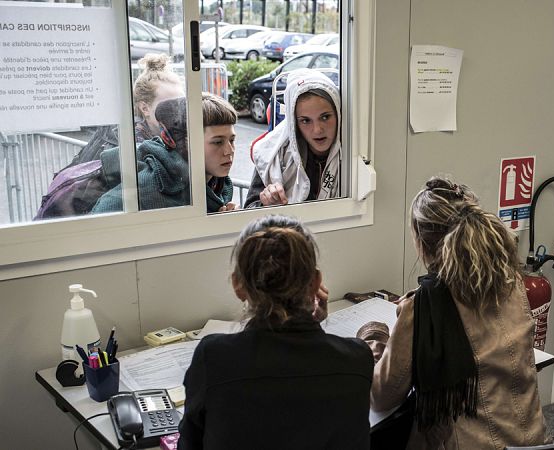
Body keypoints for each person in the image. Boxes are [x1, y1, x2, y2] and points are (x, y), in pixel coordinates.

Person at [364, 177, 550, 448]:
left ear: (421, 242)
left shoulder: (423, 308)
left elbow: (381, 397)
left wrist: (375, 340)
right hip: (536, 443)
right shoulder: (511, 283)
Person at [178, 215, 374, 449]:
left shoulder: (213, 358)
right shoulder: (356, 359)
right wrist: (311, 326)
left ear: (238, 285)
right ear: (315, 282)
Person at [92, 93, 238, 213]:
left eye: (232, 140)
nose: (229, 151)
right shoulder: (147, 188)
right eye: (217, 142)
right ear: (187, 143)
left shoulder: (218, 184)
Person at [245, 69, 341, 207]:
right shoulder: (274, 154)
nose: (317, 130)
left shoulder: (355, 152)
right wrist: (266, 205)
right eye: (305, 121)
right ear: (293, 122)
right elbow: (249, 208)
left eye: (325, 117)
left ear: (338, 113)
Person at [133, 53, 184, 144]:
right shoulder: (133, 144)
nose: (178, 114)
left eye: (182, 104)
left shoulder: (187, 135)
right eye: (169, 107)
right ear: (145, 108)